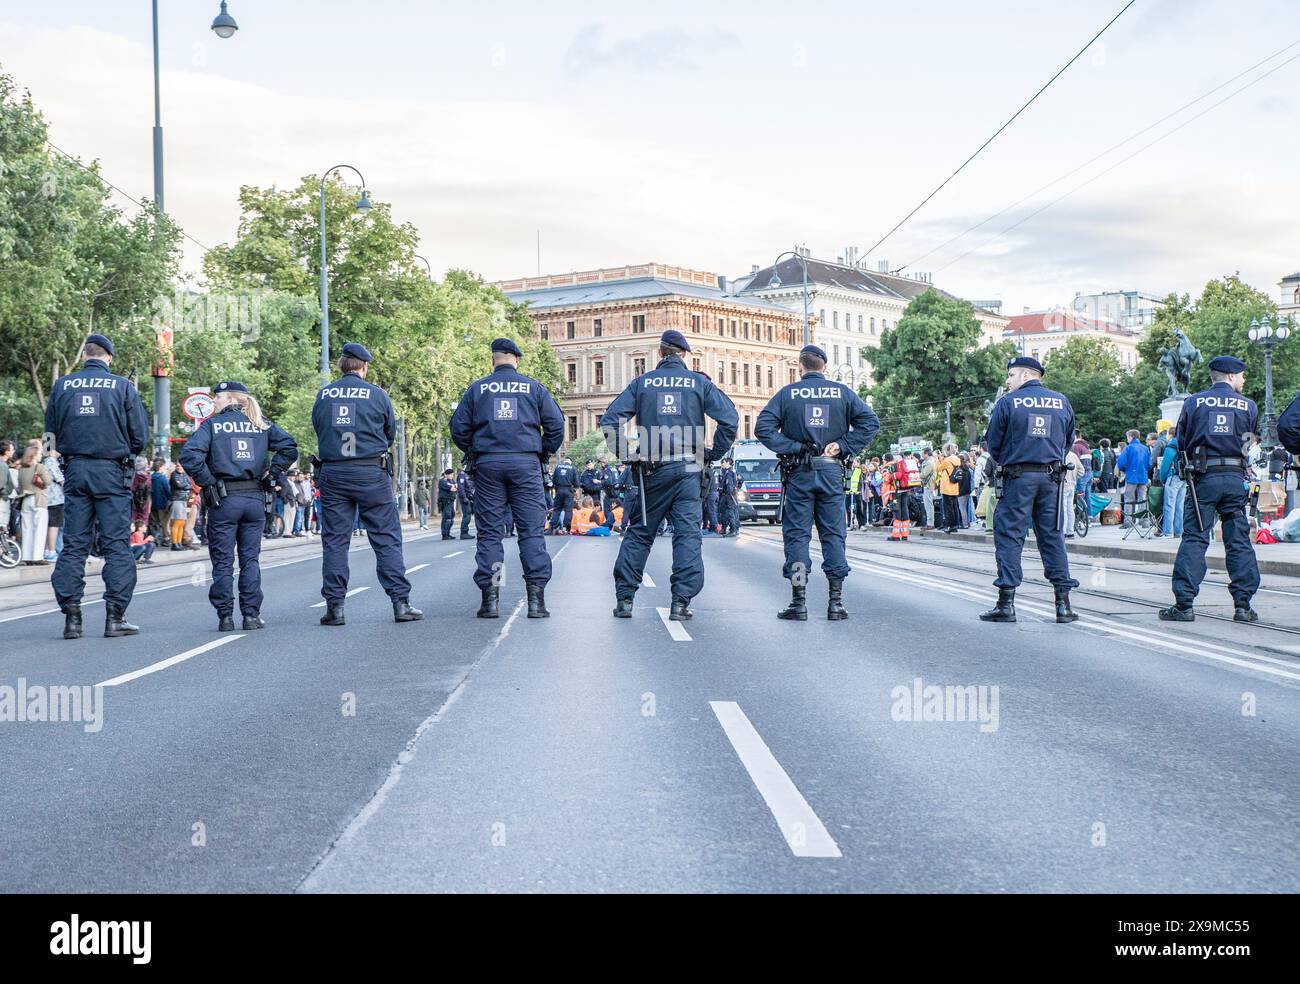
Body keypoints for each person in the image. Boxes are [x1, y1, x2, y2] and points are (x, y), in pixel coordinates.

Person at [600, 329, 738, 621]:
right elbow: (730, 419)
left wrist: (628, 454)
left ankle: (625, 600)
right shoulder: (699, 383)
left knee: (640, 534)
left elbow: (611, 420)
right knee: (687, 536)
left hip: (653, 467)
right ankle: (680, 603)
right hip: (690, 467)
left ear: (660, 353)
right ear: (684, 355)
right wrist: (712, 454)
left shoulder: (642, 383)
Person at [755, 343, 879, 620]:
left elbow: (762, 428)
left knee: (798, 536)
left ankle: (798, 602)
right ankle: (836, 602)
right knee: (833, 535)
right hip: (832, 472)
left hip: (799, 472)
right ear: (824, 367)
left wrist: (793, 447)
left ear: (800, 367)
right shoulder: (842, 392)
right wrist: (843, 445)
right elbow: (870, 422)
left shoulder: (787, 394)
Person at [451, 337, 564, 618]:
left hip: (488, 465)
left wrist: (477, 449)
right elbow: (556, 425)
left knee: (490, 535)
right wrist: (542, 451)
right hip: (526, 464)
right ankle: (536, 602)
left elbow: (458, 429)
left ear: (493, 360)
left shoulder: (477, 389)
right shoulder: (534, 388)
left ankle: (491, 600)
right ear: (517, 359)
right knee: (531, 533)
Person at [46, 333, 149, 639]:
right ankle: (115, 617)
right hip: (112, 472)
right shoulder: (122, 386)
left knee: (75, 544)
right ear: (109, 357)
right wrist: (126, 455)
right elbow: (140, 436)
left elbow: (50, 433)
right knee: (116, 544)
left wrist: (64, 456)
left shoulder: (62, 385)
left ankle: (72, 618)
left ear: (85, 356)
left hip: (76, 469)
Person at [312, 342, 423, 625]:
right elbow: (390, 433)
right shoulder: (378, 395)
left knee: (335, 541)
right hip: (371, 472)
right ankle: (400, 604)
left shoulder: (324, 395)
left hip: (334, 472)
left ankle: (335, 608)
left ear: (340, 365)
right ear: (364, 367)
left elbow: (318, 427)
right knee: (386, 539)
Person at [180, 380, 298, 630]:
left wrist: (208, 482)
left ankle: (225, 616)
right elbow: (289, 447)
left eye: (218, 397)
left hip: (224, 500)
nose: (214, 401)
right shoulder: (259, 423)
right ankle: (251, 615)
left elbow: (189, 455)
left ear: (232, 399)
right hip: (255, 499)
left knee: (223, 562)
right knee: (250, 560)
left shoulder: (212, 425)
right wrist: (273, 473)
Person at [1159, 356, 1261, 622]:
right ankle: (1243, 605)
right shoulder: (1248, 405)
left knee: (1194, 538)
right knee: (1238, 541)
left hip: (1202, 478)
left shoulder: (1193, 402)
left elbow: (1181, 441)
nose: (1243, 380)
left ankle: (1184, 605)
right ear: (1230, 376)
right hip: (1234, 477)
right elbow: (1250, 443)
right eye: (1241, 376)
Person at [979, 355, 1079, 624]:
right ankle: (1063, 605)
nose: (1007, 381)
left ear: (1025, 375)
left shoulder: (1008, 403)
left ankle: (1006, 604)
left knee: (1010, 536)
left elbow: (993, 445)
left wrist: (1013, 460)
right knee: (1052, 537)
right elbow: (1068, 440)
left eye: (1010, 375)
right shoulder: (1062, 401)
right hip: (1051, 479)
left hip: (1018, 478)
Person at [16, 443, 51, 565]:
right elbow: (48, 481)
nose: (41, 455)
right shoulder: (39, 467)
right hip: (38, 499)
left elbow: (19, 486)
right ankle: (37, 557)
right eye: (40, 453)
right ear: (34, 455)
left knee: (27, 529)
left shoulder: (21, 469)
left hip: (25, 499)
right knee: (39, 529)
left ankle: (27, 556)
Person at [1116, 429, 1151, 529]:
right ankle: (1144, 522)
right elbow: (1149, 464)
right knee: (1143, 499)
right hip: (1143, 476)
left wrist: (1125, 470)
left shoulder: (1128, 448)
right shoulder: (1145, 448)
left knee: (1129, 499)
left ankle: (1128, 522)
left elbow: (1121, 463)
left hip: (1131, 476)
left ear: (1131, 437)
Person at [1158, 434, 1185, 538]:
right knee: (1179, 506)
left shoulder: (1171, 446)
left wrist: (1163, 478)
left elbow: (1165, 464)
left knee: (1169, 505)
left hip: (1173, 477)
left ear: (1170, 434)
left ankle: (1168, 532)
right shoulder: (1185, 443)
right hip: (1183, 478)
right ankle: (1179, 532)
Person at [42, 447, 64, 561]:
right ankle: (51, 551)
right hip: (55, 498)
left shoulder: (45, 461)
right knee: (54, 526)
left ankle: (47, 550)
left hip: (48, 498)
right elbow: (60, 479)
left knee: (50, 525)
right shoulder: (51, 461)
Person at [549, 456, 577, 534]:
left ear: (564, 461)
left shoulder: (558, 467)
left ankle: (551, 528)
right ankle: (566, 528)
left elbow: (553, 480)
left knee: (556, 509)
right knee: (568, 510)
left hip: (559, 490)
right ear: (570, 462)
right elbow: (577, 483)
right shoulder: (573, 468)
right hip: (568, 491)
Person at [717, 459, 739, 536]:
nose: (722, 464)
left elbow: (730, 485)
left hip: (729, 496)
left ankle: (733, 530)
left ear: (727, 463)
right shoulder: (728, 471)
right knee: (724, 513)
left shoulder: (730, 472)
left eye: (723, 462)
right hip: (727, 495)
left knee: (730, 513)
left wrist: (728, 494)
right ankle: (725, 529)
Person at [456, 463, 475, 538]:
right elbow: (461, 488)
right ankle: (464, 533)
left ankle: (465, 532)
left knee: (469, 514)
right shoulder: (462, 475)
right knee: (467, 514)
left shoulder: (469, 475)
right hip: (465, 497)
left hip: (470, 497)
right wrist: (464, 497)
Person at [437, 469, 457, 539]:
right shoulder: (442, 481)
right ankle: (444, 535)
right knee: (447, 517)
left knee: (451, 517)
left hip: (451, 501)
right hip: (445, 502)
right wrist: (453, 487)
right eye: (450, 474)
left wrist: (454, 487)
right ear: (446, 475)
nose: (452, 476)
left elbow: (456, 488)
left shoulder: (452, 480)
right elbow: (452, 489)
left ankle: (448, 533)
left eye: (452, 474)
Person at [0, 441, 13, 534]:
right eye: (12, 450)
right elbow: (1, 484)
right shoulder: (3, 465)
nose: (13, 451)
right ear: (6, 452)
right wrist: (5, 494)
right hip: (2, 500)